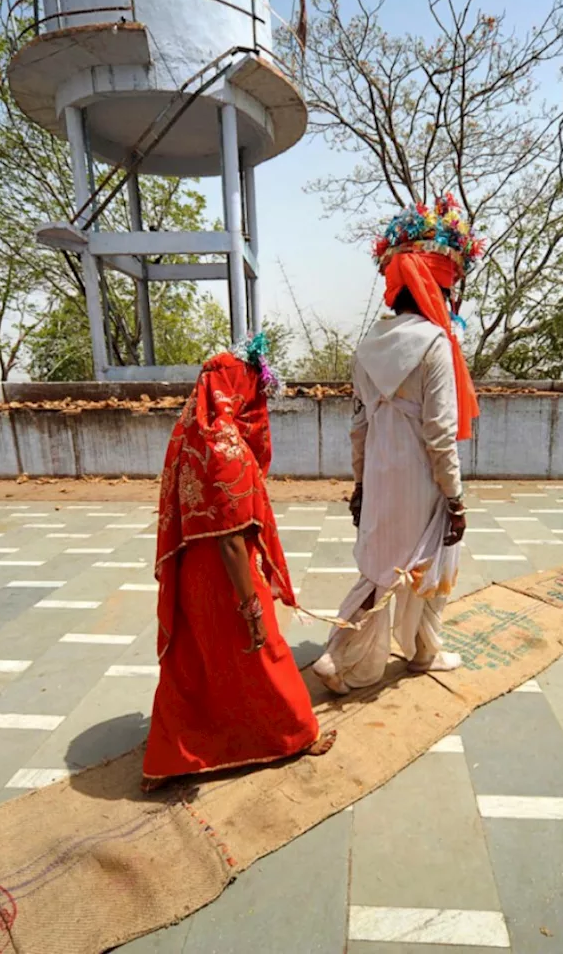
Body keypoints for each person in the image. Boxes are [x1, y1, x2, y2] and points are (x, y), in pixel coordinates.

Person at [142, 338, 335, 793]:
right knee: (263, 651)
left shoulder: (189, 433)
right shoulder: (227, 448)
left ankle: (168, 759)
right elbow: (230, 537)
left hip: (192, 572)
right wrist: (250, 606)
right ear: (238, 390)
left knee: (191, 665)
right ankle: (295, 735)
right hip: (225, 577)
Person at [313, 194, 484, 694]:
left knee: (380, 569)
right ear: (438, 288)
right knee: (428, 566)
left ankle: (363, 653)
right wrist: (453, 496)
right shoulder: (434, 345)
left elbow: (359, 428)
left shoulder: (366, 348)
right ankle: (397, 651)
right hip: (421, 480)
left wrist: (361, 486)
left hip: (382, 478)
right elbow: (439, 432)